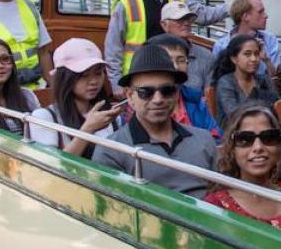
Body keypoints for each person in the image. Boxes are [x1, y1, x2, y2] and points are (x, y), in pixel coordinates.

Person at [91, 44, 217, 198]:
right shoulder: (112, 151)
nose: (158, 100)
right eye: (146, 92)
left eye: (167, 91)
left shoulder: (204, 140)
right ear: (130, 96)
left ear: (177, 93)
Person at [105, 0, 229, 93]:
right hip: (139, 75)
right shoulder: (127, 4)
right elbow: (113, 48)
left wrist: (234, 7)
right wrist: (116, 83)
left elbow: (205, 15)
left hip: (172, 72)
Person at [204, 103, 281, 238]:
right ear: (231, 148)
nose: (258, 147)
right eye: (245, 139)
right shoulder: (215, 206)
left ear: (280, 144)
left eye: (269, 137)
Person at [31, 38, 126, 158]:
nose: (93, 81)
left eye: (98, 73)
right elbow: (51, 167)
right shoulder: (44, 117)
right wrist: (88, 129)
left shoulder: (109, 116)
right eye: (84, 75)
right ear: (64, 78)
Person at [147, 34, 221, 139]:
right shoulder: (139, 103)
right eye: (168, 60)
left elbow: (216, 139)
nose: (176, 67)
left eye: (181, 60)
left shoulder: (197, 101)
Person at [211, 34, 279, 126]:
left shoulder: (264, 80)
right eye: (247, 54)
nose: (254, 59)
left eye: (256, 54)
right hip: (234, 133)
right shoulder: (226, 82)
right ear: (234, 59)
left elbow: (278, 107)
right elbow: (234, 115)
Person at [211, 0, 279, 77]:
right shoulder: (222, 45)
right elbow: (217, 78)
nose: (266, 16)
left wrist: (266, 60)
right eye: (260, 12)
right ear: (246, 16)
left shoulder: (269, 39)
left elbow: (276, 78)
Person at [159, 0, 215, 91]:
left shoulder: (205, 56)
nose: (186, 23)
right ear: (164, 24)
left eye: (188, 20)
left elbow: (211, 95)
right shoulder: (154, 55)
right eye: (179, 20)